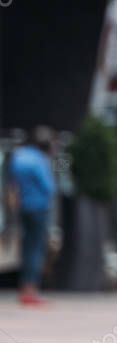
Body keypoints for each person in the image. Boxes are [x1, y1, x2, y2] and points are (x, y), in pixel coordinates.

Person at [7, 127, 56, 307]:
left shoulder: (19, 156)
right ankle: (32, 290)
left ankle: (23, 289)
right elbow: (48, 187)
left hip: (23, 207)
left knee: (26, 247)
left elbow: (12, 182)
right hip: (39, 208)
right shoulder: (39, 160)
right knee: (36, 249)